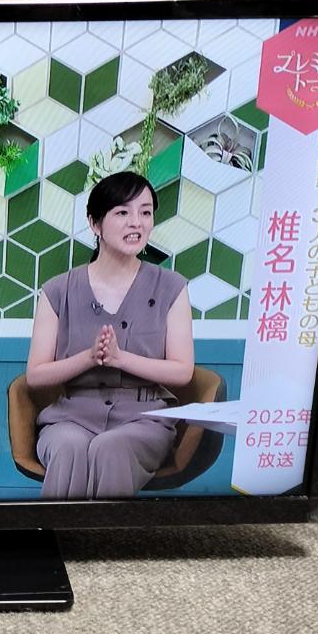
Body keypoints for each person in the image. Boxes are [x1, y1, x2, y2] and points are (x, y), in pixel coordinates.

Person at [25, 170, 194, 499]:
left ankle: (106, 533)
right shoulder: (57, 291)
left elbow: (182, 371)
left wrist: (120, 358)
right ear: (95, 223)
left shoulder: (172, 287)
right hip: (71, 417)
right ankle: (55, 531)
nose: (137, 223)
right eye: (122, 213)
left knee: (110, 447)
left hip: (144, 420)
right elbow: (35, 376)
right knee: (68, 447)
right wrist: (89, 358)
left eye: (145, 212)